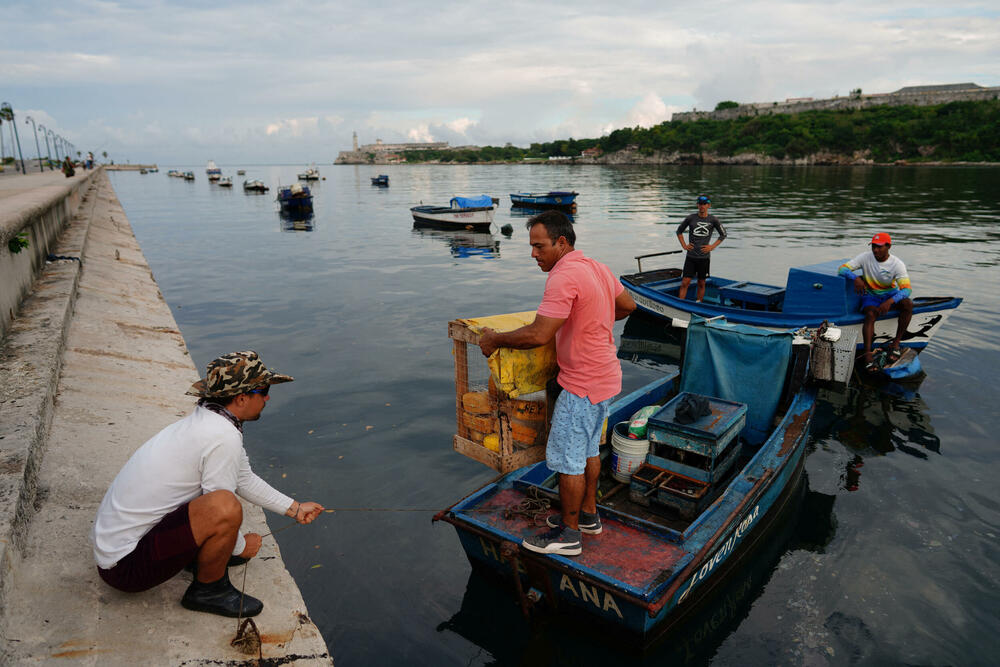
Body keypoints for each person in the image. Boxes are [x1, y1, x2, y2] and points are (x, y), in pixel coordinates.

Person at [90, 350, 325, 617]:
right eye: (264, 390)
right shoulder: (221, 436)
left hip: (122, 551)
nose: (268, 397)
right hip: (126, 569)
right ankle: (209, 589)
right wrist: (239, 546)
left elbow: (243, 477)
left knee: (220, 501)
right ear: (241, 398)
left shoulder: (210, 419)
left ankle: (203, 559)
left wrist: (294, 508)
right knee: (226, 506)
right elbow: (219, 507)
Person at [478, 211, 636, 556]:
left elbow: (538, 333)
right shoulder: (596, 266)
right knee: (590, 449)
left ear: (561, 242)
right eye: (532, 247)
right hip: (606, 376)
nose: (534, 254)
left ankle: (568, 536)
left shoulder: (563, 276)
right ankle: (589, 516)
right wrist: (590, 321)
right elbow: (627, 305)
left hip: (581, 385)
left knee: (568, 461)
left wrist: (494, 339)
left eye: (539, 246)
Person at [838, 233, 913, 370]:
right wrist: (855, 278)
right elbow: (842, 269)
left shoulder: (897, 264)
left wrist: (890, 301)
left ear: (888, 246)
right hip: (870, 295)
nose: (875, 250)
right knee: (871, 314)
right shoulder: (865, 257)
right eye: (873, 246)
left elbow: (907, 290)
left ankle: (895, 343)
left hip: (890, 294)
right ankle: (867, 353)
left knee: (908, 304)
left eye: (879, 247)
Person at [675, 194, 727, 302]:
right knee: (685, 282)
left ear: (709, 205)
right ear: (697, 205)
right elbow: (679, 231)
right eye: (700, 204)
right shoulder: (691, 218)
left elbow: (723, 234)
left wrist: (712, 246)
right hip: (691, 256)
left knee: (701, 283)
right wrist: (684, 245)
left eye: (704, 204)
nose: (702, 206)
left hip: (704, 258)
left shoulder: (713, 220)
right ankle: (680, 304)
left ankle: (699, 303)